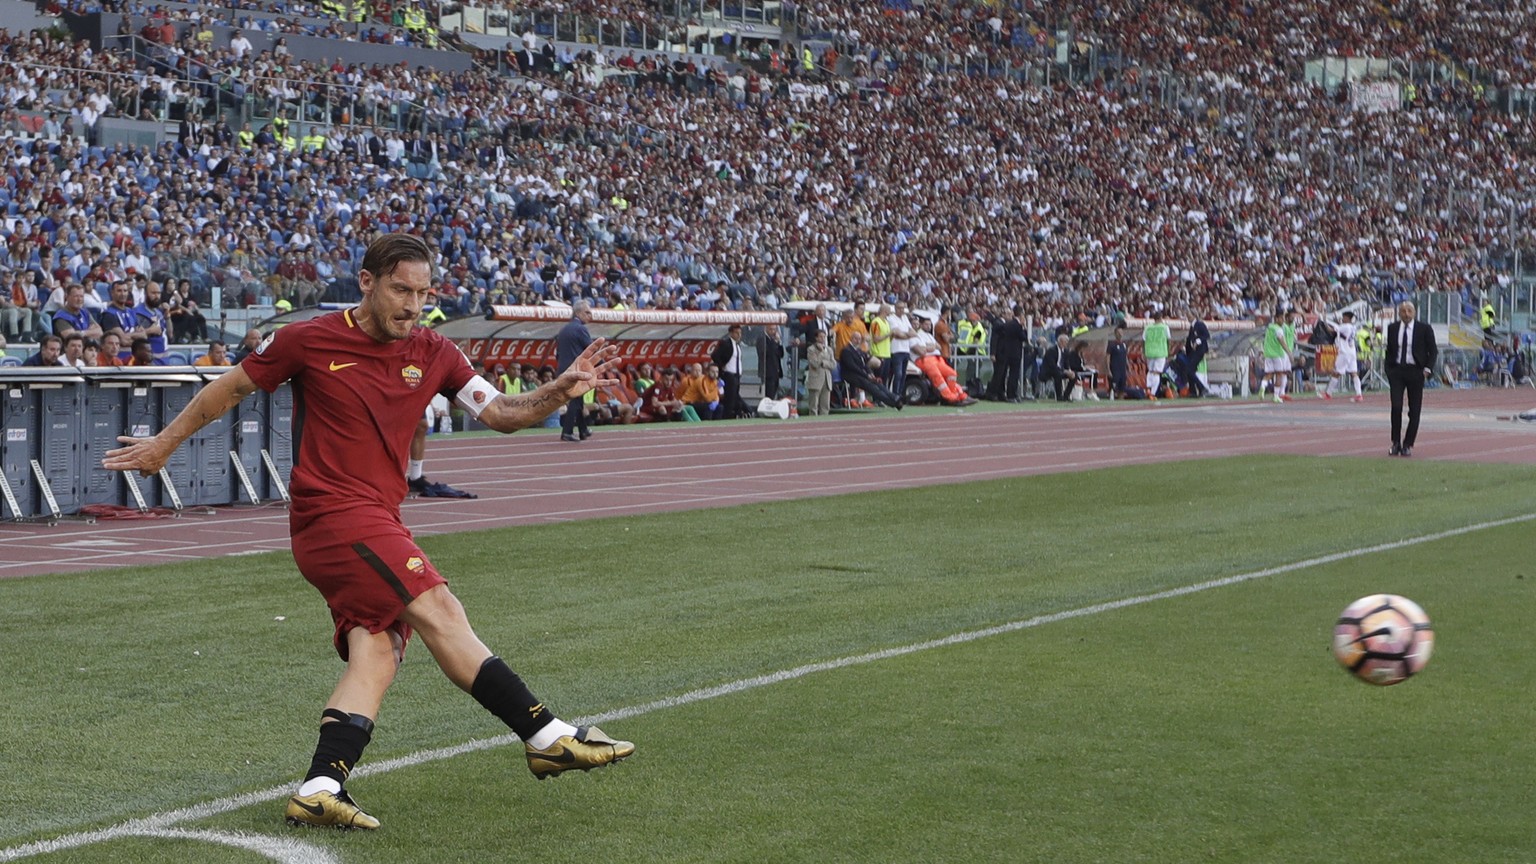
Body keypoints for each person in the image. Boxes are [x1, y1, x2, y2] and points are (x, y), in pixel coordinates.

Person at [102, 233, 634, 831]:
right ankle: (546, 733)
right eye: (402, 289)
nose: (413, 304)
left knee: (378, 649)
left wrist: (558, 391)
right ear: (367, 282)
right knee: (439, 606)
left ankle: (321, 786)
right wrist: (162, 447)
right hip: (331, 517)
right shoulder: (307, 339)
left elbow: (502, 414)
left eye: (424, 293)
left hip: (378, 518)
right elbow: (230, 388)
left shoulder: (435, 351)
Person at [1385, 300, 1437, 457]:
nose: (1406, 314)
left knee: (1414, 411)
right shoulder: (1392, 328)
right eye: (1403, 311)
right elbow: (1390, 350)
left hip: (1416, 372)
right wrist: (1389, 369)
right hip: (1397, 372)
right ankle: (1395, 443)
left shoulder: (1424, 328)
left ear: (1414, 313)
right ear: (1399, 313)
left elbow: (1433, 351)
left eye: (1409, 311)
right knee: (1396, 407)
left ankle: (1408, 444)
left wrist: (1427, 369)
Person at [556, 300, 594, 442]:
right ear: (578, 313)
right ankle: (567, 432)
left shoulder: (564, 329)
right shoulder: (581, 329)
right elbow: (591, 350)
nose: (590, 315)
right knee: (575, 401)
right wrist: (603, 364)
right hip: (575, 370)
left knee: (577, 399)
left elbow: (558, 353)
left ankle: (583, 430)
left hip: (563, 369)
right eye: (587, 312)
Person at [838, 332, 902, 409]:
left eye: (859, 339)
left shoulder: (858, 350)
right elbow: (852, 367)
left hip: (860, 374)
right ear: (851, 339)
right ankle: (894, 403)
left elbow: (864, 364)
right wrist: (866, 375)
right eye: (856, 339)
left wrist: (870, 373)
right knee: (871, 387)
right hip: (850, 375)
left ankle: (895, 398)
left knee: (878, 384)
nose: (858, 341)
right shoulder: (846, 351)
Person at [1322, 311, 1363, 402]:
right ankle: (1359, 394)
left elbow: (1330, 330)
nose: (1342, 319)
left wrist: (1324, 320)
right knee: (1354, 373)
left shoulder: (1345, 326)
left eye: (1344, 317)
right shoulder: (1353, 327)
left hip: (1344, 352)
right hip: (1352, 352)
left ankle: (1328, 393)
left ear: (1347, 318)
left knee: (1336, 373)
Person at [710, 323, 749, 418]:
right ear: (731, 333)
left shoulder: (738, 346)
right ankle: (727, 416)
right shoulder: (726, 343)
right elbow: (715, 355)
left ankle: (737, 413)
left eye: (740, 333)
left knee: (735, 396)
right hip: (729, 375)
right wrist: (721, 366)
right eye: (736, 333)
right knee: (730, 398)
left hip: (737, 376)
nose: (739, 335)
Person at [804, 329, 835, 415]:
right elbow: (815, 363)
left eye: (824, 337)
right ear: (816, 338)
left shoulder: (829, 349)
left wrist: (824, 363)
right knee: (813, 405)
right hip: (816, 379)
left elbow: (833, 364)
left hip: (827, 379)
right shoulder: (811, 349)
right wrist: (821, 352)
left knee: (825, 405)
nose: (823, 339)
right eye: (821, 337)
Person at [1142, 310, 1171, 400]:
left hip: (1149, 352)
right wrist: (1168, 352)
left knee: (1150, 371)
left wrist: (1143, 352)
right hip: (1161, 352)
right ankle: (1153, 393)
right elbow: (1168, 340)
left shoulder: (1147, 327)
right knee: (1157, 372)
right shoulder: (1165, 327)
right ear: (1161, 318)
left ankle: (1148, 389)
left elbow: (1143, 340)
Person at [1041, 333, 1077, 402]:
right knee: (1058, 374)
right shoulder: (1051, 351)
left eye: (1067, 342)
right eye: (1065, 341)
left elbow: (1066, 363)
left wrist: (1069, 370)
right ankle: (1059, 396)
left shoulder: (1066, 351)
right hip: (1049, 371)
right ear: (1060, 341)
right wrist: (1064, 371)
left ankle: (1066, 396)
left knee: (1074, 375)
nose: (1066, 343)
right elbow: (1052, 365)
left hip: (1061, 370)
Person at [1183, 313, 1210, 397]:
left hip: (1199, 351)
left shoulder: (1199, 324)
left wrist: (1198, 341)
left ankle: (1201, 388)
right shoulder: (1192, 326)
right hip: (1193, 352)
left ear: (1194, 316)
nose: (1187, 317)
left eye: (1189, 316)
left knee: (1189, 370)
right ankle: (1193, 391)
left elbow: (1206, 335)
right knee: (1190, 371)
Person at [758, 324, 785, 399]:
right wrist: (774, 342)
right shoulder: (762, 339)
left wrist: (779, 343)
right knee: (769, 395)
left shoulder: (774, 340)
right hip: (767, 372)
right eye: (771, 329)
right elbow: (766, 353)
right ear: (766, 328)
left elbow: (781, 354)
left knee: (774, 394)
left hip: (776, 372)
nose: (773, 332)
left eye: (774, 329)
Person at [1106, 327, 1129, 397]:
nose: (1120, 334)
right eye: (1118, 333)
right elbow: (1107, 357)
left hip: (1122, 369)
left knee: (1122, 388)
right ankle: (1111, 399)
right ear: (1115, 334)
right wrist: (1108, 370)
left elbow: (1125, 356)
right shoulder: (1111, 345)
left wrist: (1128, 366)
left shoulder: (1124, 345)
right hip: (1114, 369)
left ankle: (1121, 402)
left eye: (1121, 332)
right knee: (1113, 388)